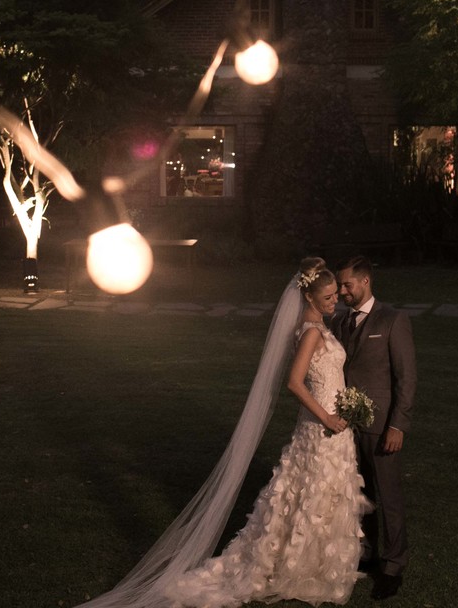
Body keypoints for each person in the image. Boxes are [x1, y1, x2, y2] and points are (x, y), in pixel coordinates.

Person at [76, 258, 370, 608]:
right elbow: (294, 382)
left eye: (336, 294)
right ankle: (299, 568)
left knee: (314, 494)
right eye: (327, 296)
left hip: (331, 425)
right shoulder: (310, 332)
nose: (334, 300)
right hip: (322, 426)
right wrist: (326, 417)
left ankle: (311, 565)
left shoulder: (319, 327)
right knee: (313, 493)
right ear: (308, 298)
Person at [334, 256, 417, 601]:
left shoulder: (393, 320)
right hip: (346, 427)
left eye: (346, 285)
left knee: (388, 496)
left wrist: (398, 424)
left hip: (382, 425)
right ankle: (367, 554)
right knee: (360, 493)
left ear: (365, 282)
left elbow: (406, 377)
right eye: (340, 286)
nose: (341, 291)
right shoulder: (340, 322)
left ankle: (393, 565)